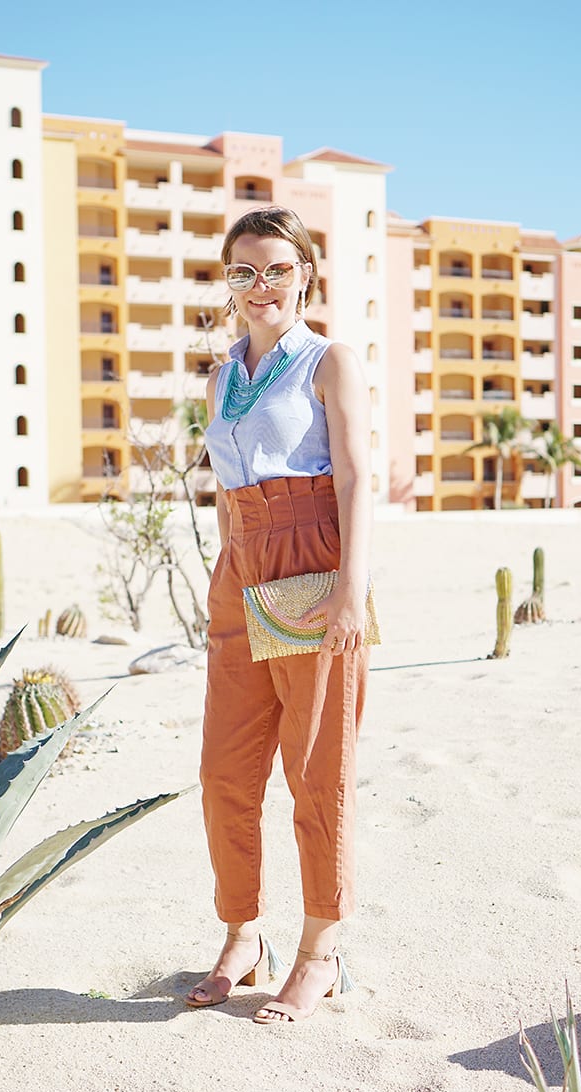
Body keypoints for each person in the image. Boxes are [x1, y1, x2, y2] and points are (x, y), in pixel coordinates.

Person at [185, 206, 372, 1023]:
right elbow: (228, 486)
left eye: (277, 270)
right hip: (241, 565)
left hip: (313, 562)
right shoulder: (223, 374)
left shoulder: (329, 362)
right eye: (244, 272)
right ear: (228, 282)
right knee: (225, 768)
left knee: (314, 769)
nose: (260, 287)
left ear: (305, 275)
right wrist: (224, 574)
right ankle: (242, 933)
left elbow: (357, 478)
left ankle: (320, 950)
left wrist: (350, 587)